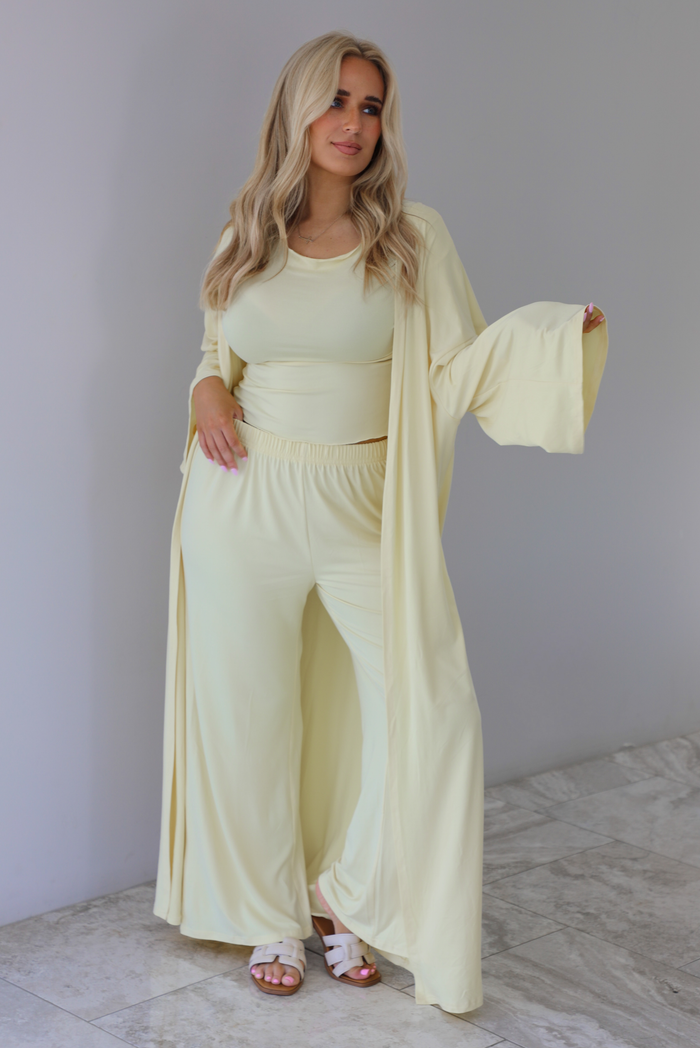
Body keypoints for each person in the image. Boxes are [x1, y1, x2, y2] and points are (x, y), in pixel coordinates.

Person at [153, 30, 608, 1013]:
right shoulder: (247, 230)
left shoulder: (412, 236)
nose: (354, 123)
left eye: (370, 106)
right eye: (337, 101)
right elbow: (214, 346)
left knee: (425, 708)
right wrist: (203, 393)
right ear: (297, 111)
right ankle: (271, 910)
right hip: (242, 502)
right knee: (249, 715)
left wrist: (543, 340)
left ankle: (343, 890)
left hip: (360, 504)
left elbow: (453, 365)